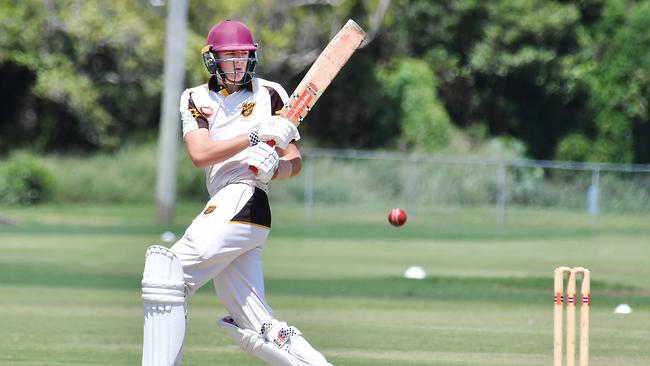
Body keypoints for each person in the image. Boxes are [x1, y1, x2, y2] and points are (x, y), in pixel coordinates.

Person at [141, 19, 332, 366]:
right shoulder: (195, 97)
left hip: (246, 197)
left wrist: (277, 168)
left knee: (165, 276)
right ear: (212, 59)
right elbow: (200, 155)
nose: (237, 63)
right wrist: (255, 136)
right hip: (230, 204)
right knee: (256, 323)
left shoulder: (271, 93)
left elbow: (295, 162)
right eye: (229, 56)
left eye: (243, 56)